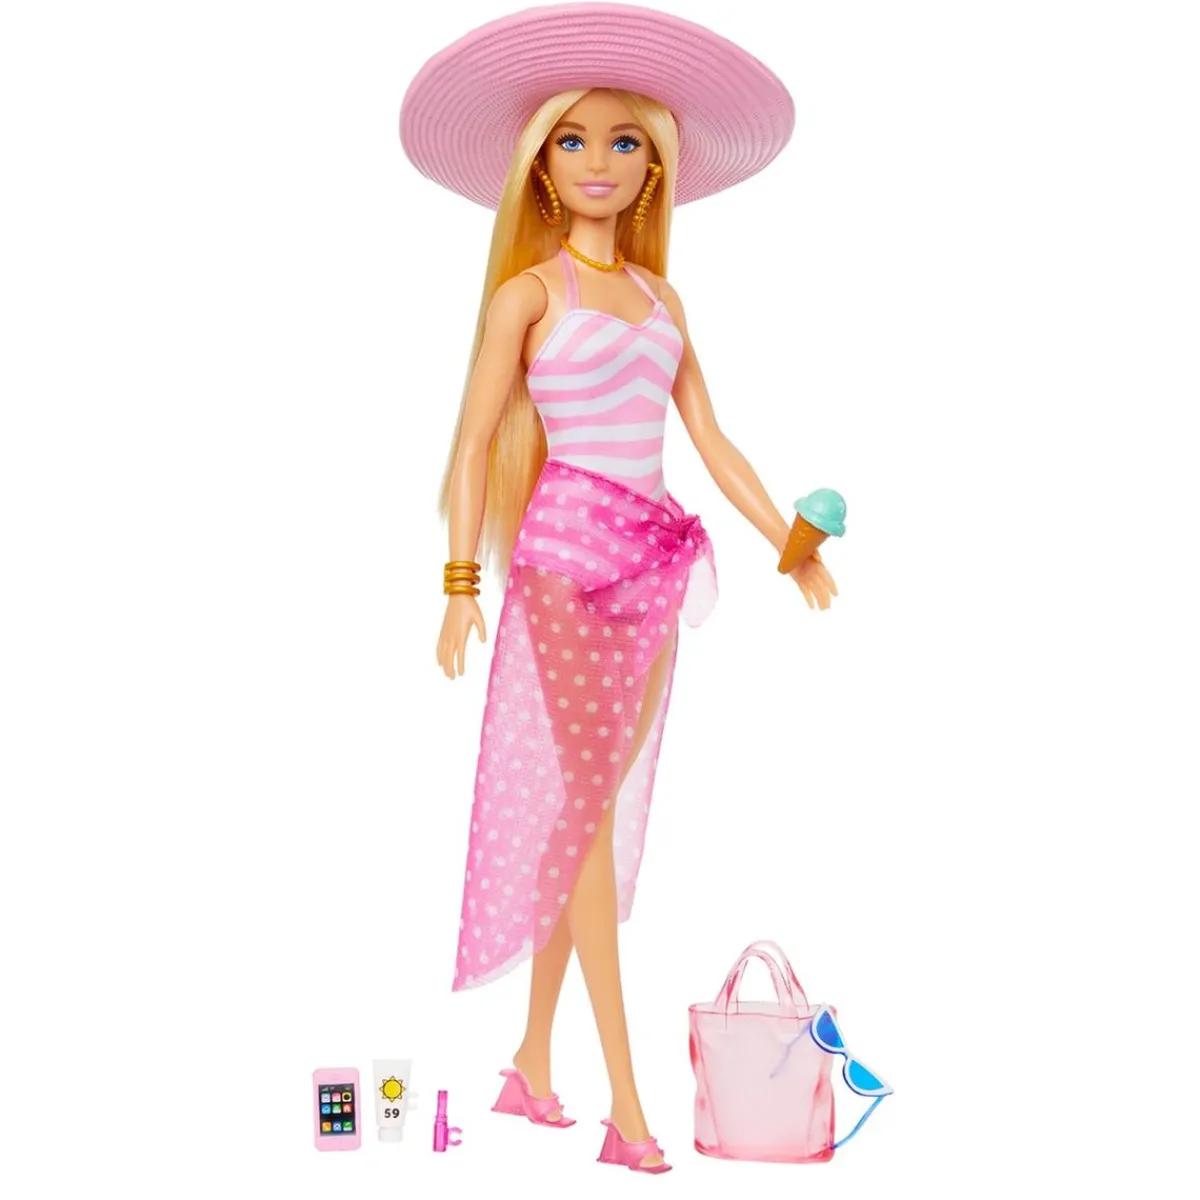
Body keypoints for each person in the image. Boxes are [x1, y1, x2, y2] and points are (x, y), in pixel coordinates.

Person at [399, 3, 837, 1173]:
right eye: (574, 140)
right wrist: (458, 584)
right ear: (540, 164)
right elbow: (471, 442)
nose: (599, 161)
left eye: (625, 140)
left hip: (655, 561)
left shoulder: (660, 300)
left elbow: (711, 437)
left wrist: (788, 544)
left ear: (656, 165)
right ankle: (626, 1106)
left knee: (585, 814)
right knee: (588, 821)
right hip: (564, 564)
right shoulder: (528, 295)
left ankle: (530, 1064)